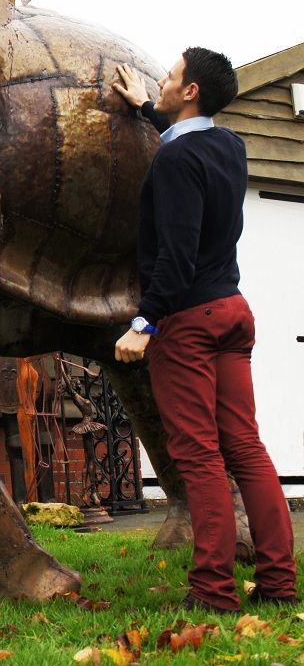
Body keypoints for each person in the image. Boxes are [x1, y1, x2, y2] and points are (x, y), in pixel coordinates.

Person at [111, 48, 297, 613]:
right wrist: (145, 108)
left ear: (190, 91)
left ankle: (214, 591)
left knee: (199, 458)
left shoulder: (173, 164)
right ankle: (279, 584)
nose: (160, 82)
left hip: (188, 321)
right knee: (246, 448)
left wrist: (144, 323)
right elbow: (187, 141)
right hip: (233, 313)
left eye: (168, 77)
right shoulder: (230, 146)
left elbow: (177, 255)